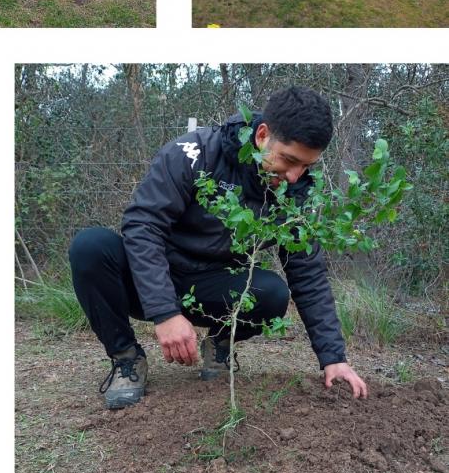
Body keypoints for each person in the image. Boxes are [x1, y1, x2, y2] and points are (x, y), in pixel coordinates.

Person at [69, 87, 368, 410]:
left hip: (212, 288)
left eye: (306, 166)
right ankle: (126, 358)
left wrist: (333, 357)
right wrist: (165, 311)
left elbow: (307, 274)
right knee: (91, 247)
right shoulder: (193, 153)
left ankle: (220, 343)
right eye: (289, 160)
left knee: (272, 293)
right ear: (263, 135)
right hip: (150, 280)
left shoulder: (295, 194)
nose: (295, 176)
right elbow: (143, 227)